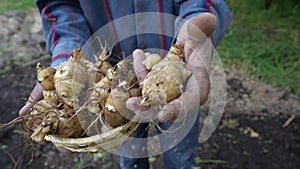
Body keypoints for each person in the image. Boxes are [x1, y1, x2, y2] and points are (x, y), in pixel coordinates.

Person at [19, 0, 232, 168]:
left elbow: (196, 2)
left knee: (179, 150)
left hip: (175, 78)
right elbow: (61, 6)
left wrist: (195, 27)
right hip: (112, 86)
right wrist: (68, 61)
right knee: (130, 154)